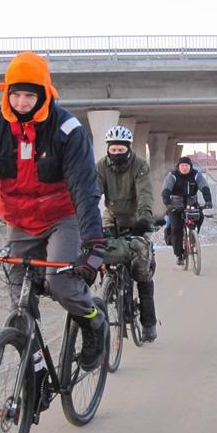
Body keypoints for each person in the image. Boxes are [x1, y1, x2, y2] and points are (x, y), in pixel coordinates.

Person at [0, 51, 107, 372]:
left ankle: (94, 324)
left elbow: (84, 188)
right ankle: (36, 371)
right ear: (6, 93)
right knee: (19, 301)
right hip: (19, 221)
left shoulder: (67, 129)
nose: (22, 102)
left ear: (43, 95)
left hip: (62, 217)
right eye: (16, 94)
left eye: (30, 95)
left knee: (61, 284)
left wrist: (93, 244)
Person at [96, 125, 159, 341]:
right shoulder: (101, 166)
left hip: (135, 219)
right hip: (111, 217)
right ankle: (110, 286)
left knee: (142, 268)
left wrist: (144, 218)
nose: (117, 154)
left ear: (128, 149)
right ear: (108, 149)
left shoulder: (140, 165)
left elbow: (145, 193)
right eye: (113, 150)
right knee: (99, 250)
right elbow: (92, 193)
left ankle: (149, 322)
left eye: (120, 150)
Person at [161, 156, 213, 266]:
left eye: (187, 166)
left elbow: (204, 186)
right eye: (182, 166)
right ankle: (179, 255)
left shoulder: (196, 175)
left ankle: (193, 236)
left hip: (191, 203)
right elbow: (166, 190)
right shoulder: (172, 176)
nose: (184, 168)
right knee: (176, 229)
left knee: (200, 216)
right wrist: (168, 205)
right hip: (176, 205)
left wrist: (208, 201)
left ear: (190, 167)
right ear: (178, 167)